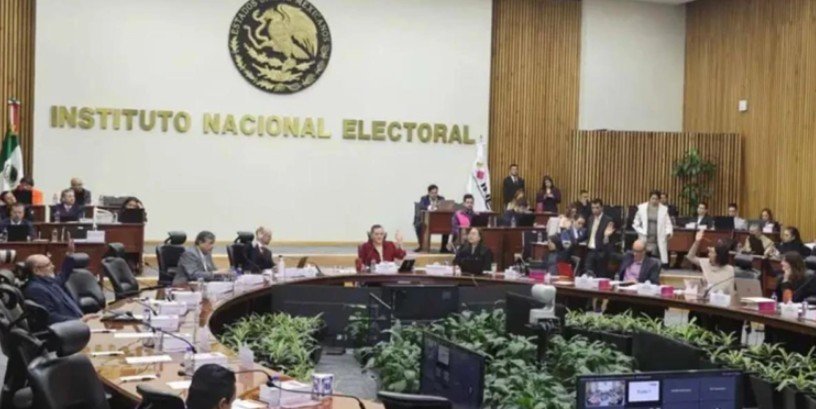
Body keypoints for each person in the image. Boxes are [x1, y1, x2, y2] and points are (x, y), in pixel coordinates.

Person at [22, 251, 97, 324]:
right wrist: (79, 321)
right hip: (69, 327)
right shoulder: (36, 290)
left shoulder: (50, 282)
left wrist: (69, 256)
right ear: (36, 270)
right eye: (48, 265)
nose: (53, 266)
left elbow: (63, 275)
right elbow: (50, 317)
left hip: (81, 323)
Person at [686, 230, 735, 294]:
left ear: (719, 255)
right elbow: (690, 256)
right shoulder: (705, 262)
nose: (708, 254)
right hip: (706, 297)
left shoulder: (730, 270)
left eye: (711, 253)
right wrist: (697, 241)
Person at [632, 190, 673, 266]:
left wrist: (668, 232)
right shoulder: (642, 208)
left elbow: (668, 223)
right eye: (652, 198)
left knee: (657, 257)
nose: (654, 201)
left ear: (659, 200)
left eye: (656, 199)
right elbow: (635, 223)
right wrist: (641, 231)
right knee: (643, 254)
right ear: (649, 198)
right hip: (645, 235)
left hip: (658, 236)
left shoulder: (664, 209)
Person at [584, 199, 616, 277]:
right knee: (588, 274)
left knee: (600, 276)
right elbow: (587, 234)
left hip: (601, 253)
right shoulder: (590, 219)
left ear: (602, 208)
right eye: (593, 208)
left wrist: (606, 236)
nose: (595, 210)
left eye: (597, 207)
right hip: (590, 251)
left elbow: (611, 241)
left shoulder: (608, 220)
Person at [415, 184, 449, 252]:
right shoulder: (424, 198)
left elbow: (445, 207)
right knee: (418, 226)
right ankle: (421, 246)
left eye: (436, 193)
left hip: (438, 221)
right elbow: (421, 206)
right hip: (426, 220)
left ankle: (443, 248)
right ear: (429, 193)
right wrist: (429, 207)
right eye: (432, 193)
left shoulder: (441, 199)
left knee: (447, 225)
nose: (434, 195)